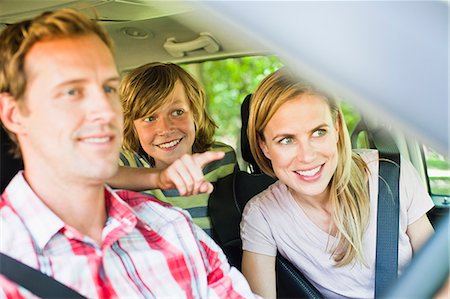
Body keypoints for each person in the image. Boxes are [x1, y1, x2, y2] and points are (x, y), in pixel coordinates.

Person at [0, 9, 256, 298]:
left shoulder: (172, 227)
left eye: (109, 88)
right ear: (14, 114)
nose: (107, 110)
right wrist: (158, 177)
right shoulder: (9, 256)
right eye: (72, 92)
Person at [240, 68, 435, 298]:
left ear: (337, 130)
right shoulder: (262, 215)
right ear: (264, 147)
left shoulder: (391, 176)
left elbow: (441, 275)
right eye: (286, 140)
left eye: (318, 132)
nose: (307, 156)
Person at [110, 62, 238, 237]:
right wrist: (158, 179)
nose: (165, 129)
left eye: (177, 112)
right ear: (131, 126)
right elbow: (93, 174)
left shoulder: (222, 158)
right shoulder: (128, 161)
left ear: (194, 112)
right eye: (149, 118)